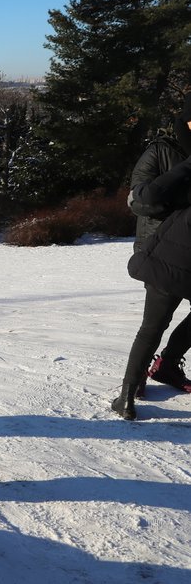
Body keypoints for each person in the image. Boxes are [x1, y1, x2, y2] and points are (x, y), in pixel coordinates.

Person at [112, 93, 191, 420]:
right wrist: (179, 204)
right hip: (160, 248)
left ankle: (168, 365)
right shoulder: (160, 151)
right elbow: (139, 202)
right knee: (154, 322)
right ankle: (129, 391)